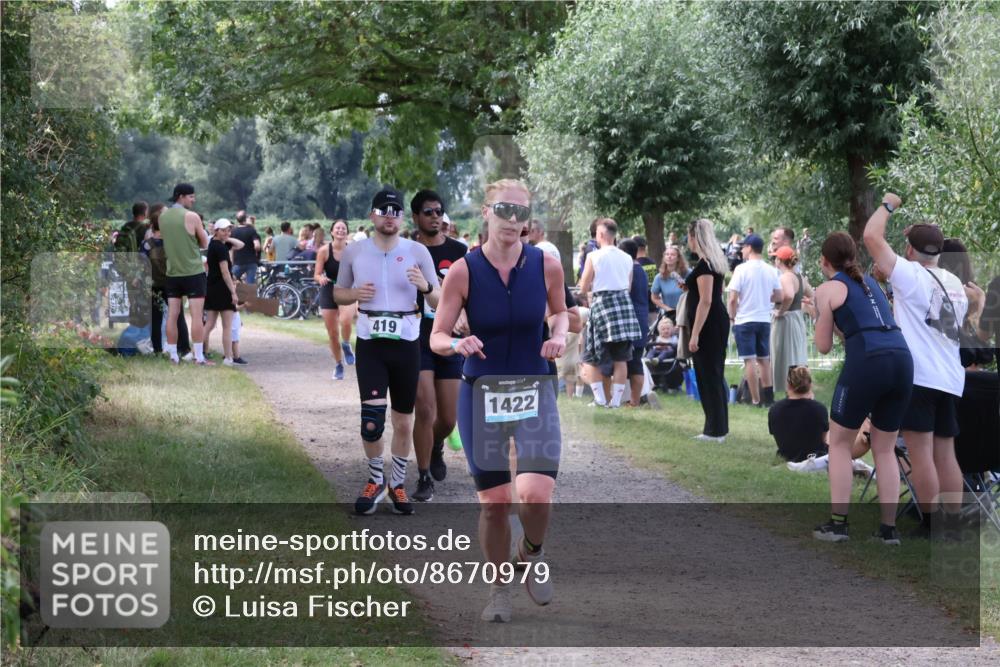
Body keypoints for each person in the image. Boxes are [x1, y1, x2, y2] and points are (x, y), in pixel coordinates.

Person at [429, 178, 568, 623]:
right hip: (481, 394)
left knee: (535, 495)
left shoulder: (545, 264)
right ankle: (499, 590)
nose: (512, 220)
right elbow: (436, 337)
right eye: (504, 210)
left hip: (534, 389)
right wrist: (456, 345)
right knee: (495, 503)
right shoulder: (464, 271)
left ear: (529, 220)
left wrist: (559, 335)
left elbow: (560, 311)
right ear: (486, 212)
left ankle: (532, 551)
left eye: (521, 212)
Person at [864, 194, 969, 537]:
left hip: (920, 377)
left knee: (921, 453)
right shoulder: (955, 284)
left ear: (909, 250)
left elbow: (871, 237)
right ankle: (951, 522)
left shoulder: (910, 275)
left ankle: (931, 523)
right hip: (950, 379)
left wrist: (888, 205)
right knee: (946, 453)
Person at [335, 187, 441, 517]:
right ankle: (375, 479)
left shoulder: (417, 252)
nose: (390, 218)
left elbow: (439, 300)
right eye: (384, 211)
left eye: (395, 212)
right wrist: (354, 293)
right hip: (371, 343)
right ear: (372, 215)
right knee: (371, 422)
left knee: (404, 422)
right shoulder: (354, 252)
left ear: (401, 218)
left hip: (407, 343)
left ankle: (397, 483)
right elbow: (338, 293)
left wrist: (424, 286)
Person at [812, 229, 913, 544]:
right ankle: (888, 531)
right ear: (853, 257)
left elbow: (823, 345)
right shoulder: (871, 283)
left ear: (823, 261)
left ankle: (838, 525)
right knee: (884, 448)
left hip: (868, 362)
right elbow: (861, 326)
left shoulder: (827, 288)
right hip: (901, 359)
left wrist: (815, 314)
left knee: (840, 444)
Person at [409, 190, 468, 502]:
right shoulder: (406, 251)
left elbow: (470, 291)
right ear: (416, 217)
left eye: (438, 212)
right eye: (428, 212)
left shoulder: (459, 250)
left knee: (448, 418)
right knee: (426, 408)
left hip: (448, 336)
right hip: (416, 335)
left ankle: (435, 446)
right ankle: (422, 478)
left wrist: (467, 316)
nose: (435, 217)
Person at [578, 219, 642, 408]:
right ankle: (614, 402)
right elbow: (628, 286)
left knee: (592, 356)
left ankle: (599, 399)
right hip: (623, 305)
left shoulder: (594, 256)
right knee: (621, 358)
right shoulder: (627, 257)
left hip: (602, 305)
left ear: (601, 234)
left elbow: (583, 286)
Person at [769, 366, 873, 475]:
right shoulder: (819, 409)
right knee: (858, 438)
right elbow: (824, 440)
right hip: (817, 457)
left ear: (788, 385)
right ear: (810, 385)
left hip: (787, 455)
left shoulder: (774, 409)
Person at [685, 218, 731, 442]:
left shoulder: (705, 266)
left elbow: (706, 300)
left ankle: (714, 430)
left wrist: (694, 334)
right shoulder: (713, 263)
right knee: (713, 374)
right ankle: (718, 426)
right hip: (716, 321)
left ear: (695, 237)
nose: (688, 241)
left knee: (708, 375)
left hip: (708, 325)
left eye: (689, 236)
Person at [727, 234, 782, 407]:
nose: (741, 250)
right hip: (764, 319)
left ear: (749, 248)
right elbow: (779, 295)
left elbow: (732, 298)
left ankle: (756, 399)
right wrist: (765, 298)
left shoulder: (741, 270)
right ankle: (769, 399)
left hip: (745, 319)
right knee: (764, 360)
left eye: (743, 247)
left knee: (749, 360)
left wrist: (732, 316)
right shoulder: (771, 269)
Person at [160, 183, 211, 365]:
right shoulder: (192, 216)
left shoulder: (163, 217)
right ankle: (198, 355)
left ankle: (173, 354)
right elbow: (205, 243)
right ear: (181, 196)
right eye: (191, 196)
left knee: (172, 315)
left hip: (172, 272)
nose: (193, 200)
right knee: (196, 315)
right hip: (193, 271)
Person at [142, 204, 191, 358]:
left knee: (155, 319)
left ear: (152, 225)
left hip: (153, 285)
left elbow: (140, 264)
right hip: (172, 283)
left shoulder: (147, 244)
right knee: (178, 316)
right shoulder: (172, 242)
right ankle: (184, 348)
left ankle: (157, 349)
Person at [771, 246, 813, 395]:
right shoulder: (799, 277)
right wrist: (803, 305)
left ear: (779, 260)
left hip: (787, 320)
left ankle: (789, 387)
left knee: (786, 353)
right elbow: (811, 294)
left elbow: (788, 295)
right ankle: (798, 386)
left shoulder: (786, 277)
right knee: (796, 352)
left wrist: (781, 312)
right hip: (796, 318)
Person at [202, 219, 244, 366]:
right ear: (216, 231)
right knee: (227, 326)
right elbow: (225, 272)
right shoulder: (220, 248)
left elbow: (241, 245)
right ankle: (228, 357)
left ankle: (196, 352)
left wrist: (226, 237)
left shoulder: (214, 244)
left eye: (229, 230)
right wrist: (233, 292)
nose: (226, 233)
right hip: (222, 288)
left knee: (209, 324)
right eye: (223, 230)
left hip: (212, 287)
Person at [314, 220, 349, 380]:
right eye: (337, 228)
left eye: (343, 228)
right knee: (333, 333)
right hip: (329, 289)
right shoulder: (324, 250)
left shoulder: (353, 250)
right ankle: (338, 364)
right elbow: (317, 273)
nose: (341, 230)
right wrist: (320, 278)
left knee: (346, 320)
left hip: (347, 289)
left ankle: (347, 344)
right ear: (332, 232)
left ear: (347, 232)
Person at [618, 239, 650, 407]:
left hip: (631, 321)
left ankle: (628, 399)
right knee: (635, 361)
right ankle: (634, 400)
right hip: (641, 319)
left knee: (625, 360)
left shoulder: (629, 269)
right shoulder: (641, 270)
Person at [650, 246, 689, 323]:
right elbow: (654, 297)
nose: (669, 256)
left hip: (687, 312)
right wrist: (667, 308)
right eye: (667, 254)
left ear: (678, 258)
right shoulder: (659, 277)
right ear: (664, 257)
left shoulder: (688, 273)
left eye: (672, 254)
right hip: (671, 315)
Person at [230, 211, 261, 284]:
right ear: (245, 219)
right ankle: (249, 295)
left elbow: (230, 248)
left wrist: (231, 261)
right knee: (249, 284)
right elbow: (257, 245)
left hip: (238, 262)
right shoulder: (251, 230)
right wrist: (256, 250)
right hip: (251, 261)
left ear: (237, 220)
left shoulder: (233, 231)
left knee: (230, 280)